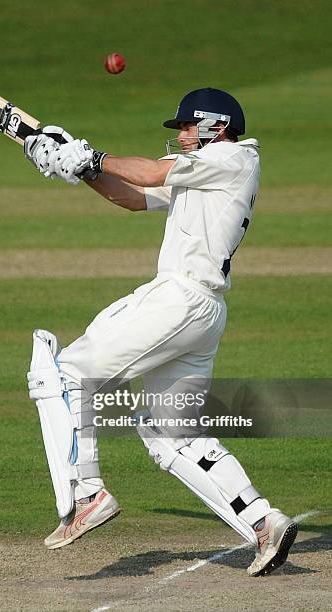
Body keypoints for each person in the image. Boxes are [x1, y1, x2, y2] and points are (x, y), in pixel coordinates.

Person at [24, 88, 298, 576]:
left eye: (188, 127)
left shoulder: (231, 156)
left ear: (216, 124)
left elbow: (148, 171)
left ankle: (85, 493)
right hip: (201, 312)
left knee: (64, 375)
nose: (182, 136)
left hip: (180, 299)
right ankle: (263, 521)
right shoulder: (205, 171)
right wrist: (82, 168)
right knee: (170, 432)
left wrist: (93, 154)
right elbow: (132, 197)